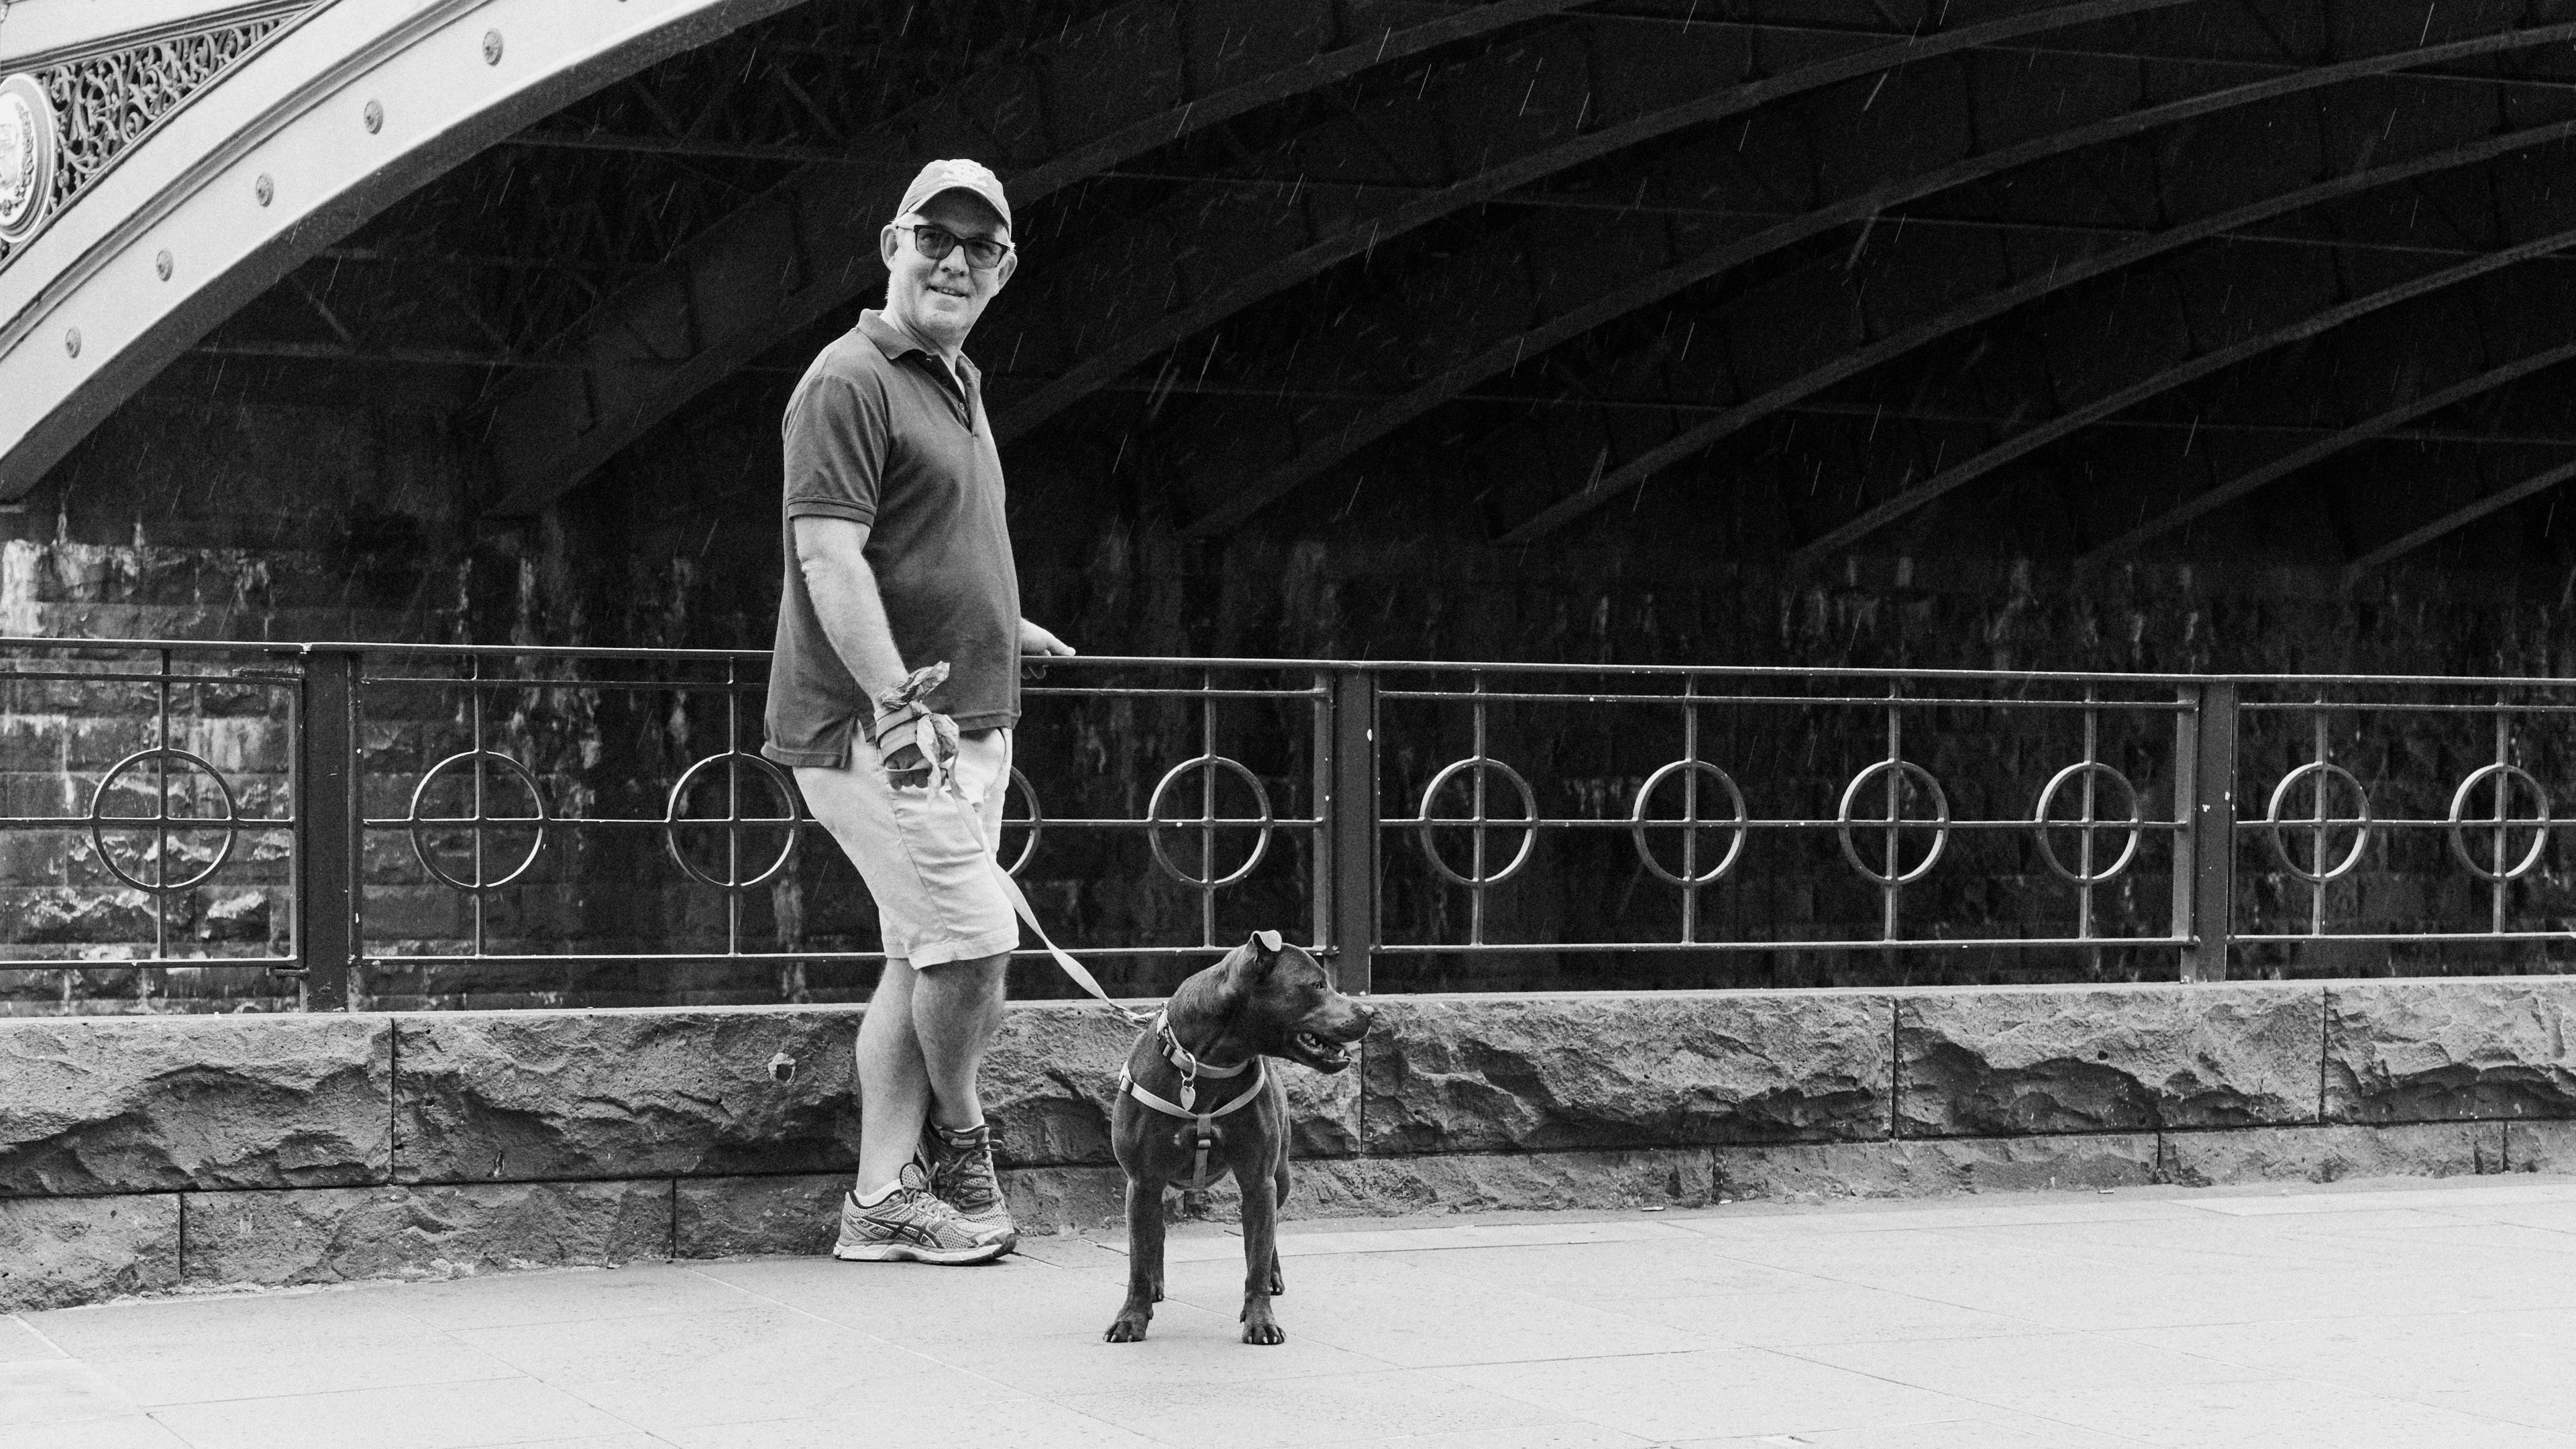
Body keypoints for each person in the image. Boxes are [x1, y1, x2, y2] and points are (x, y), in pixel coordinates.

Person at [761, 158, 1075, 1265]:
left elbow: (926, 537)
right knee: (977, 940)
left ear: (1006, 268)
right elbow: (830, 559)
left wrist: (1002, 623)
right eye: (933, 239)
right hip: (884, 735)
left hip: (961, 717)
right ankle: (963, 1133)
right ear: (891, 242)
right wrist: (895, 698)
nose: (953, 261)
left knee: (923, 952)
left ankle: (879, 1199)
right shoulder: (848, 379)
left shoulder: (954, 375)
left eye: (977, 247)